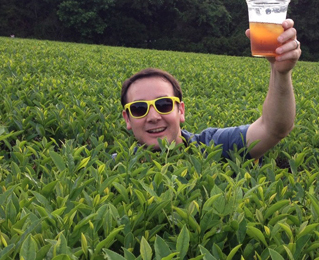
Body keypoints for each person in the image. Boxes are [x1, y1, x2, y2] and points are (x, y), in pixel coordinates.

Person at [121, 19, 301, 160]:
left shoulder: (212, 147)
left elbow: (274, 129)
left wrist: (280, 73)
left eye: (164, 104)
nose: (153, 117)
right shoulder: (116, 166)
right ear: (127, 119)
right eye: (139, 109)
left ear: (181, 111)